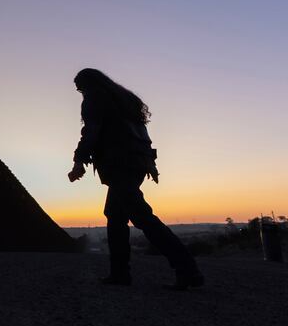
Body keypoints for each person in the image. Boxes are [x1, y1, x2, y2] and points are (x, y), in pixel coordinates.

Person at [67, 68, 204, 290]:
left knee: (142, 217)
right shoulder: (125, 101)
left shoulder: (95, 98)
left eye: (80, 89)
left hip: (119, 164)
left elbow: (91, 132)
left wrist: (78, 161)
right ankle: (120, 273)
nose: (81, 93)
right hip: (137, 164)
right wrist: (150, 165)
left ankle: (188, 270)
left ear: (88, 85)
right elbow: (142, 136)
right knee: (115, 215)